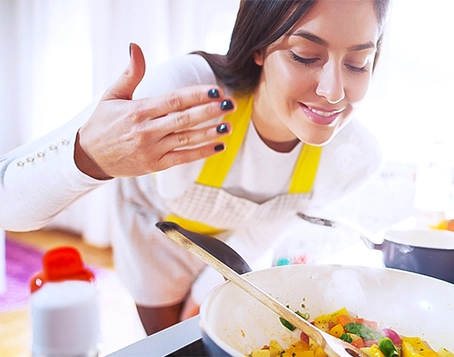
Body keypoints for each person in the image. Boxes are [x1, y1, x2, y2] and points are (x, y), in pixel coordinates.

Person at [0, 0, 390, 335]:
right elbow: (8, 203)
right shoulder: (186, 95)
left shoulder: (353, 157)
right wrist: (88, 156)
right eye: (304, 56)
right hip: (153, 233)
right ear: (258, 44)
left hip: (235, 245)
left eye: (358, 63)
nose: (334, 92)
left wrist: (206, 295)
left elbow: (261, 230)